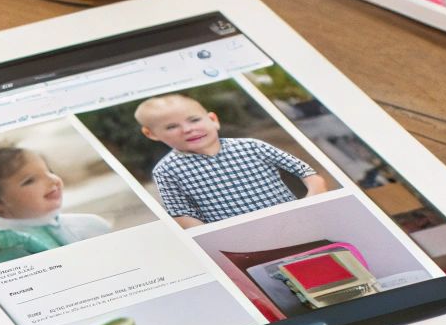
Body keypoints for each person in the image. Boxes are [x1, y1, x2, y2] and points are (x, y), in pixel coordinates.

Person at [134, 93, 329, 227]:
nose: (187, 129)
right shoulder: (167, 171)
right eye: (171, 127)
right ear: (151, 134)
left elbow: (309, 174)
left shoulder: (251, 146)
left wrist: (309, 203)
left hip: (293, 220)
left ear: (213, 119)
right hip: (241, 239)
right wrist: (217, 238)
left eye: (194, 120)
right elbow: (182, 214)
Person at [0, 143, 112, 266]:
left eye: (48, 171)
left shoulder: (88, 224)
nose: (52, 180)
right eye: (29, 181)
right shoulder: (3, 251)